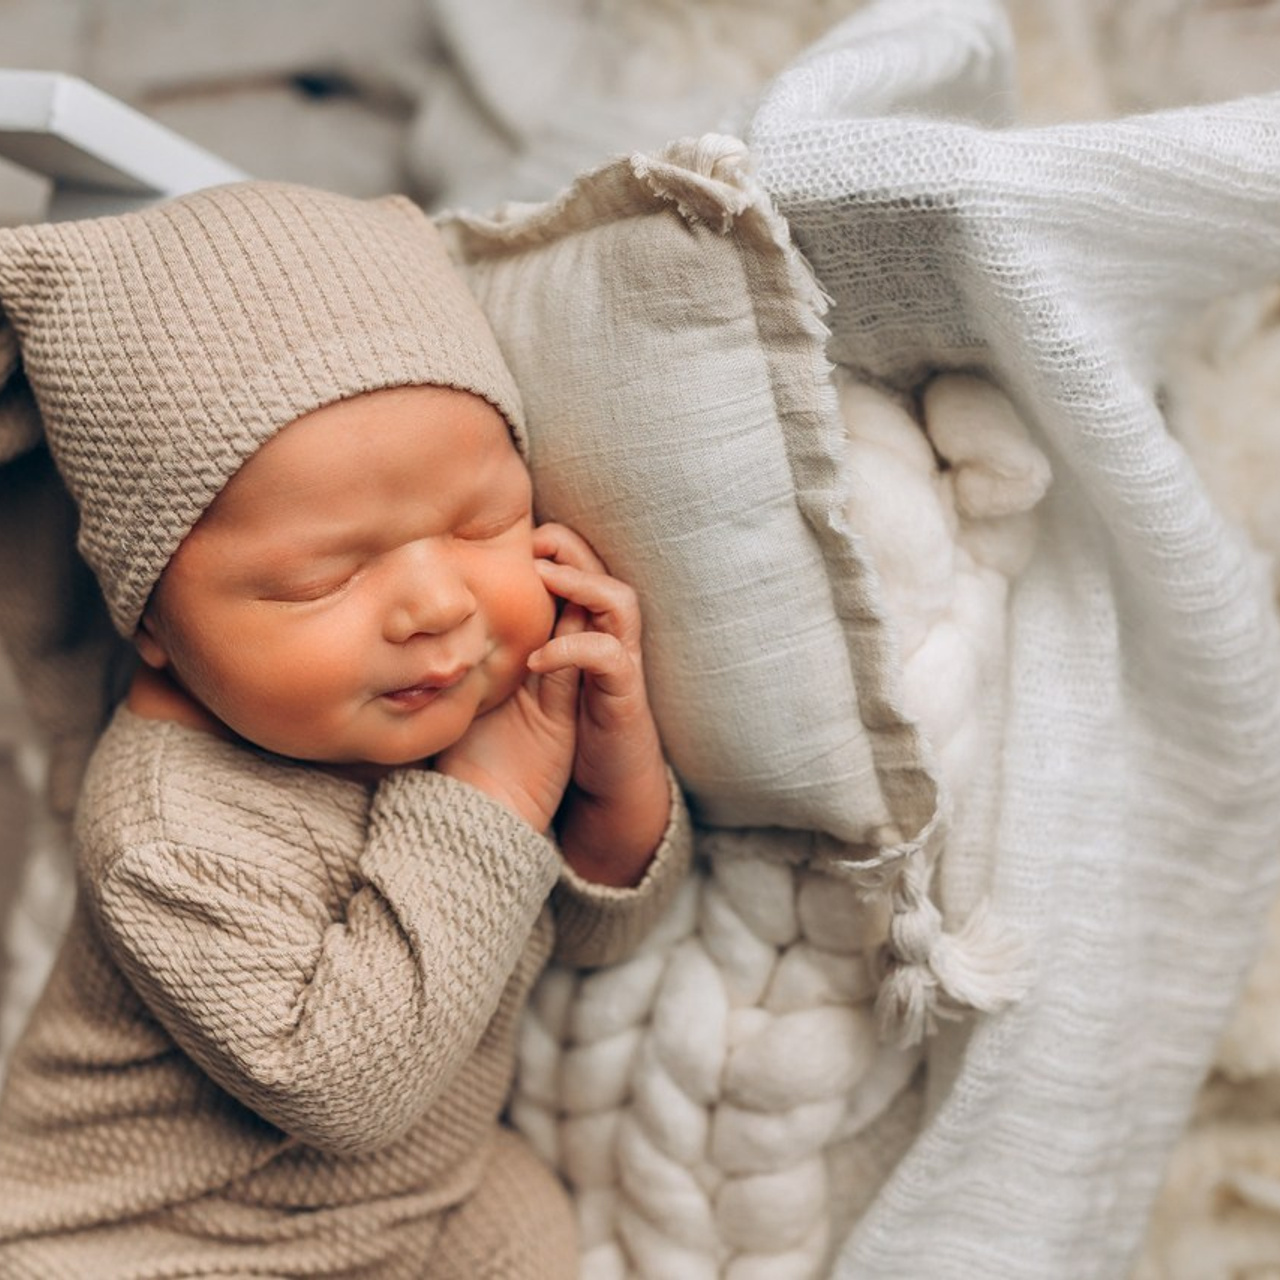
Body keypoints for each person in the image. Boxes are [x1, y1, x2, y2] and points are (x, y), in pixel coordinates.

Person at [0, 181, 692, 1278]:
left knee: (523, 1218)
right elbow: (347, 1090)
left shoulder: (455, 709)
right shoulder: (165, 835)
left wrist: (614, 776)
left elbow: (590, 938)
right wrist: (497, 798)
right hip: (138, 1245)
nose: (436, 605)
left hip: (403, 1212)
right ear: (154, 625)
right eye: (323, 577)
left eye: (481, 523)